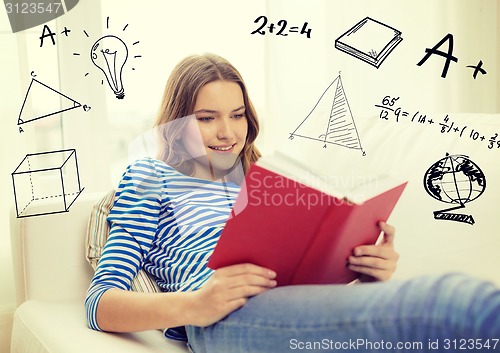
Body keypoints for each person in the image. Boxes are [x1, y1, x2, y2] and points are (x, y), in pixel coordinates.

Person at [85, 53, 500, 353]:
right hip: (223, 318)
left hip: (294, 305)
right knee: (455, 304)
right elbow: (100, 303)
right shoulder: (149, 177)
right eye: (207, 118)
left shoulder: (265, 177)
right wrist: (195, 305)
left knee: (450, 308)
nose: (228, 131)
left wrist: (368, 269)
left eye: (237, 114)